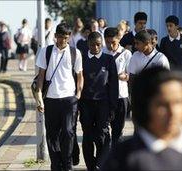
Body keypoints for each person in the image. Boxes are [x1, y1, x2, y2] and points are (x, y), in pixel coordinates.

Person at [101, 67, 182, 171]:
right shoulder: (121, 158)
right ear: (144, 106)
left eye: (179, 102)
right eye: (162, 105)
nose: (173, 112)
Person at [35, 23, 84, 171]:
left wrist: (78, 94)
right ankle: (56, 164)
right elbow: (41, 76)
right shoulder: (46, 51)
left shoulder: (76, 53)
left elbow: (80, 76)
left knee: (69, 131)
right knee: (52, 134)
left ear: (69, 37)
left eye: (66, 37)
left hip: (69, 98)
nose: (63, 40)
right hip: (50, 99)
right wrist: (39, 98)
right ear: (55, 36)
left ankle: (67, 163)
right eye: (61, 37)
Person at [79, 31, 118, 171]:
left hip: (103, 104)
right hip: (86, 104)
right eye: (92, 44)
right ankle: (90, 166)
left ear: (102, 44)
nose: (95, 47)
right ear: (87, 44)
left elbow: (114, 85)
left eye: (98, 44)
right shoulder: (82, 58)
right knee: (88, 135)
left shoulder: (108, 59)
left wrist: (113, 107)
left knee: (103, 136)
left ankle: (100, 163)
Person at [103, 27, 132, 146]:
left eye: (113, 42)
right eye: (108, 42)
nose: (110, 45)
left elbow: (130, 75)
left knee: (118, 130)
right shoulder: (102, 52)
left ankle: (115, 156)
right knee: (104, 129)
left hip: (121, 96)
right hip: (105, 97)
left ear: (119, 39)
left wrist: (123, 76)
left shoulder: (126, 54)